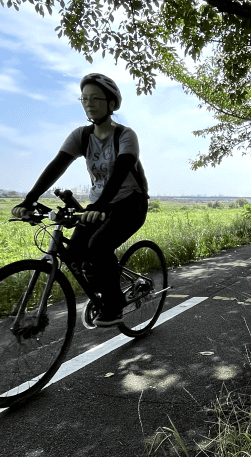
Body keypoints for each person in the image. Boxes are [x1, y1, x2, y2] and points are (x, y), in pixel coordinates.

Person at [12, 73, 150, 326]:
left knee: (98, 246)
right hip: (99, 205)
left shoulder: (125, 135)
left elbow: (120, 173)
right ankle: (106, 289)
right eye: (84, 99)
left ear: (111, 104)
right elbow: (56, 167)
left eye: (96, 98)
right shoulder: (81, 136)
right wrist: (28, 200)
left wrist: (98, 206)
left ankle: (114, 302)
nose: (89, 103)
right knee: (74, 255)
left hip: (130, 202)